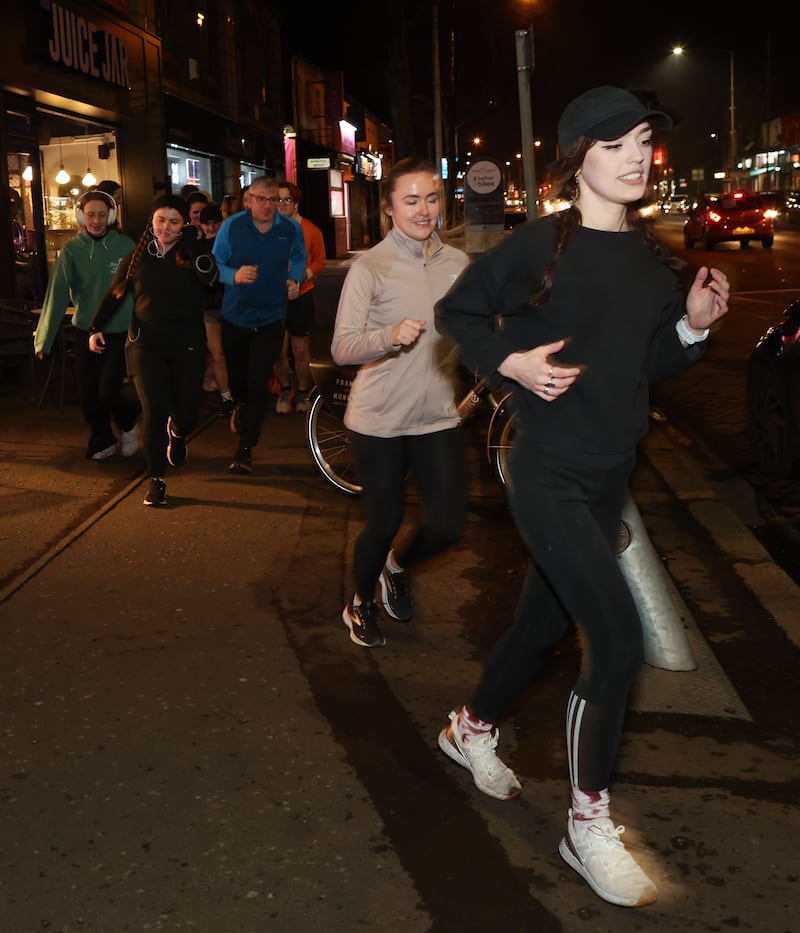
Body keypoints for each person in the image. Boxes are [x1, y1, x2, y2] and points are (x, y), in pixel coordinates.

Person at [433, 86, 730, 908]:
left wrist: (694, 327)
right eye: (616, 143)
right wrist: (511, 363)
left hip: (609, 477)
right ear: (577, 159)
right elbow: (455, 308)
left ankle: (471, 727)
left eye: (644, 140)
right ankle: (587, 823)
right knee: (617, 641)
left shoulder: (649, 258)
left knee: (536, 627)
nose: (637, 155)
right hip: (550, 471)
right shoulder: (537, 248)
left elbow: (648, 366)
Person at [331, 156, 470, 649]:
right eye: (411, 200)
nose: (424, 209)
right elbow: (342, 347)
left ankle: (398, 566)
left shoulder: (458, 264)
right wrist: (389, 336)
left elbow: (472, 333)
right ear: (389, 208)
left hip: (437, 417)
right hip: (379, 420)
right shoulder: (370, 267)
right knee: (385, 520)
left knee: (450, 526)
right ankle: (361, 601)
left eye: (431, 198)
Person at [88, 194, 218, 507]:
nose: (166, 227)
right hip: (146, 345)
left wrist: (192, 243)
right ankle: (156, 479)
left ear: (185, 223)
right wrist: (95, 328)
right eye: (160, 220)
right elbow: (115, 293)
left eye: (174, 221)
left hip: (187, 344)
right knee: (154, 410)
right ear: (152, 221)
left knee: (187, 412)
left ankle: (179, 430)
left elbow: (209, 279)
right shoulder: (138, 257)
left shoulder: (192, 253)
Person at [34, 189, 140, 460]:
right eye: (90, 214)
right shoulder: (71, 251)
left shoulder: (126, 246)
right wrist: (43, 340)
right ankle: (103, 441)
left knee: (108, 391)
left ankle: (128, 421)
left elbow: (141, 289)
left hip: (120, 330)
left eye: (102, 215)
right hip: (86, 329)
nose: (96, 220)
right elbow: (56, 294)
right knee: (88, 394)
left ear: (111, 216)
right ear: (81, 216)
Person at [211, 174, 306, 474]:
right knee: (239, 381)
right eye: (262, 199)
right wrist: (234, 276)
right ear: (249, 199)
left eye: (274, 200)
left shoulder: (290, 228)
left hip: (271, 318)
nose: (268, 206)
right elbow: (215, 263)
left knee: (257, 382)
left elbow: (300, 258)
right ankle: (240, 406)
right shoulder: (232, 226)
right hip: (235, 317)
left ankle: (245, 448)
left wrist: (295, 280)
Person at [274, 181, 327, 414]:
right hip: (273, 299)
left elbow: (320, 261)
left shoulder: (311, 230)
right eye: (278, 199)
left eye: (287, 200)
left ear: (296, 203)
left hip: (302, 295)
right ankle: (285, 389)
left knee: (300, 350)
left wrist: (303, 276)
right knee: (277, 348)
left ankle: (303, 392)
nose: (282, 204)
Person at [198, 202, 234, 418]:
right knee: (218, 355)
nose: (211, 227)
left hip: (231, 306)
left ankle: (231, 395)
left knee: (228, 354)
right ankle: (227, 397)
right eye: (207, 223)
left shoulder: (230, 246)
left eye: (215, 223)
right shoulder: (197, 248)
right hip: (209, 308)